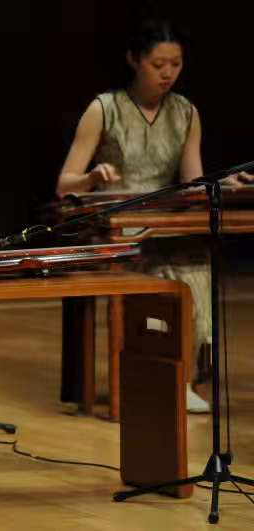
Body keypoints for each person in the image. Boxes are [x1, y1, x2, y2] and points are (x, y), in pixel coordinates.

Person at [57, 19, 252, 413]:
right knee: (157, 271)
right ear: (134, 60)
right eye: (158, 64)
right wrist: (93, 177)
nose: (168, 73)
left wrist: (222, 185)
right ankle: (145, 376)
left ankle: (180, 379)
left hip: (165, 223)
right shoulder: (104, 109)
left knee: (195, 267)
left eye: (176, 65)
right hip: (118, 228)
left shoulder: (185, 112)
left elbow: (192, 185)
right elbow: (64, 185)